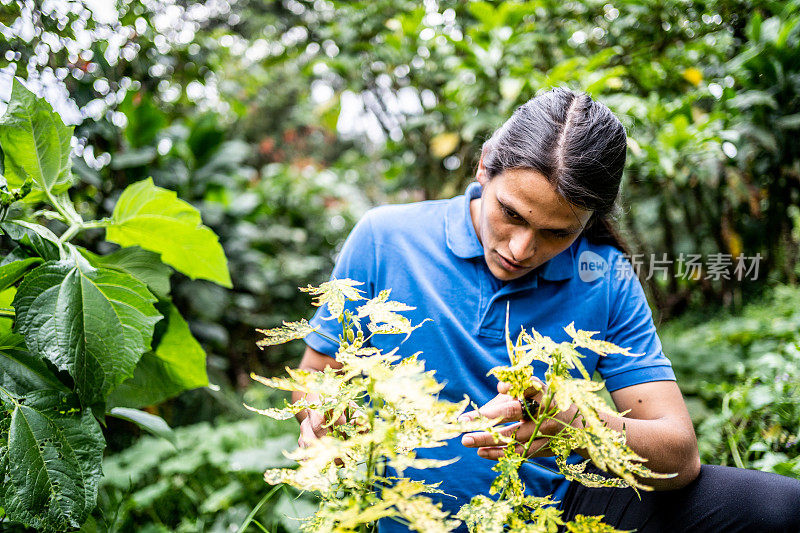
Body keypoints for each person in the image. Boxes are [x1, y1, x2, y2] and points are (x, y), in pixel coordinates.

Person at [292, 88, 800, 532]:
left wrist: (575, 423)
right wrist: (321, 417)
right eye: (510, 214)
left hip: (558, 510)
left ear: (588, 221)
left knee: (779, 507)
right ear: (484, 165)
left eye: (558, 232)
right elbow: (315, 376)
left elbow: (679, 459)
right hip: (408, 512)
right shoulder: (387, 238)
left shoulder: (604, 277)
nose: (519, 248)